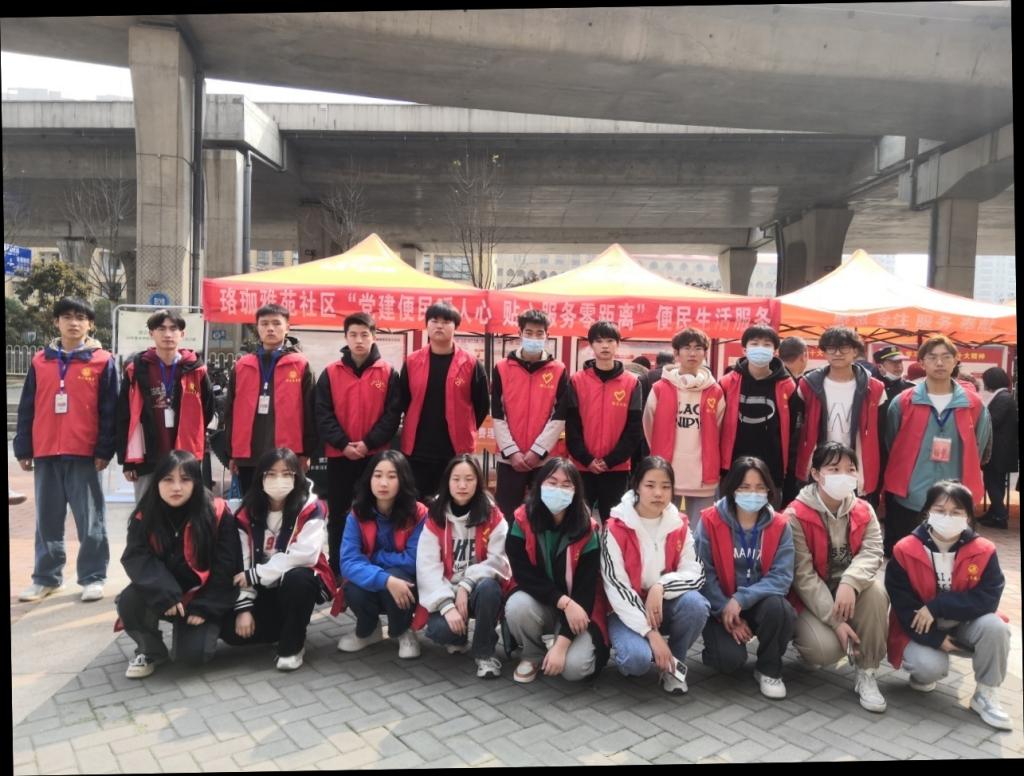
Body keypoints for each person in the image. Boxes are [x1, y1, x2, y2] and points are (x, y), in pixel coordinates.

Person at [14, 297, 118, 603]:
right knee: (47, 519)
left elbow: (110, 410)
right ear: (56, 322)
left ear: (90, 324)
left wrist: (104, 449)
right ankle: (46, 578)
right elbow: (27, 407)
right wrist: (24, 447)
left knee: (91, 519)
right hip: (46, 451)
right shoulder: (39, 361)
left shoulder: (102, 361)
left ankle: (93, 577)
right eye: (67, 317)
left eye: (81, 318)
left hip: (84, 452)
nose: (74, 323)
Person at [885, 481, 1012, 730]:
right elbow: (903, 606)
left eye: (956, 512)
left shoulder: (984, 550)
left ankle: (985, 693)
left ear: (968, 516)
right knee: (928, 668)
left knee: (996, 628)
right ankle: (922, 673)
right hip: (920, 626)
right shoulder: (905, 549)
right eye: (940, 510)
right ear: (927, 512)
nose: (947, 517)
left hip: (966, 623)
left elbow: (988, 598)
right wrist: (935, 639)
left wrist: (937, 606)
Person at [785, 441, 890, 713]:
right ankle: (811, 642)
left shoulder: (864, 510)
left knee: (876, 592)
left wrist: (850, 582)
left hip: (848, 592)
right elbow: (803, 576)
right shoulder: (795, 515)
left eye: (850, 469)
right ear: (816, 474)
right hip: (812, 598)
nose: (844, 475)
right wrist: (836, 622)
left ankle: (867, 672)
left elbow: (873, 552)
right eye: (834, 469)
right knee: (825, 650)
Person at [116, 450, 240, 677]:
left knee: (192, 657)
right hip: (165, 596)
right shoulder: (145, 515)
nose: (176, 487)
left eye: (185, 480)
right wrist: (164, 591)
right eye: (168, 480)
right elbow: (137, 557)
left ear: (196, 482)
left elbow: (227, 565)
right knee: (129, 600)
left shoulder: (217, 512)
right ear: (157, 482)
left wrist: (206, 607)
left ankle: (203, 630)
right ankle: (150, 651)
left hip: (202, 597)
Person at [602, 456, 710, 695]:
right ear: (636, 486)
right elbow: (616, 587)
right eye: (650, 485)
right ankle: (645, 649)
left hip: (662, 606)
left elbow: (696, 573)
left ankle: (673, 666)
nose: (658, 493)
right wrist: (651, 634)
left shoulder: (679, 524)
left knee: (696, 605)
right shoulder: (615, 528)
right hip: (624, 611)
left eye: (666, 486)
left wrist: (660, 587)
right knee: (636, 661)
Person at [222, 448, 336, 671]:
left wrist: (256, 574)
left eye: (286, 474)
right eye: (271, 474)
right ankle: (282, 629)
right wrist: (244, 608)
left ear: (297, 476)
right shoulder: (246, 513)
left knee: (299, 579)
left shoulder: (312, 508)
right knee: (230, 632)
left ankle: (292, 646)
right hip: (262, 587)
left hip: (293, 583)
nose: (278, 480)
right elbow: (243, 562)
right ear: (260, 477)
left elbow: (306, 555)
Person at [695, 457, 796, 699]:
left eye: (760, 487)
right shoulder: (710, 520)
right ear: (732, 489)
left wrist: (741, 599)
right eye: (745, 487)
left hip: (758, 602)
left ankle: (769, 669)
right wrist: (724, 608)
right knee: (728, 661)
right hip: (721, 605)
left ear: (769, 490)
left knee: (781, 610)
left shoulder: (780, 525)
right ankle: (719, 645)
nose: (754, 493)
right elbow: (703, 573)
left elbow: (782, 576)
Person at [883, 335, 991, 557]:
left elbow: (977, 449)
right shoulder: (903, 402)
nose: (939, 363)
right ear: (922, 363)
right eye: (932, 357)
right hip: (911, 496)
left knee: (953, 560)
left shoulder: (973, 404)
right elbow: (892, 443)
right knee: (908, 559)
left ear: (956, 360)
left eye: (946, 357)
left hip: (956, 501)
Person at [504, 457, 608, 683]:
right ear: (539, 484)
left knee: (575, 670)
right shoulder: (522, 520)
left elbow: (587, 589)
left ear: (576, 491)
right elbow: (523, 574)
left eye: (566, 485)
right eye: (552, 483)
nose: (558, 489)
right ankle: (532, 654)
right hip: (543, 602)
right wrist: (563, 602)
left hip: (579, 607)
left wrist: (562, 645)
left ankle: (558, 643)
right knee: (517, 606)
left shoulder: (587, 529)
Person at [315, 312, 402, 580]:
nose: (359, 340)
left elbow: (392, 415)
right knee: (339, 514)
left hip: (375, 458)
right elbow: (322, 413)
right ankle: (338, 569)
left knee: (378, 513)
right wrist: (343, 444)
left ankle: (374, 565)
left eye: (365, 334)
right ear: (346, 337)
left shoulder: (388, 373)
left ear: (374, 336)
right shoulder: (331, 373)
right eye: (353, 334)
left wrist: (367, 444)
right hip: (339, 456)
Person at [417, 454, 511, 678]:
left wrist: (467, 583)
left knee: (489, 588)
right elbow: (427, 567)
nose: (462, 485)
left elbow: (499, 560)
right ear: (447, 482)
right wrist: (446, 606)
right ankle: (458, 637)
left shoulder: (492, 514)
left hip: (478, 588)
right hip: (447, 589)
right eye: (456, 479)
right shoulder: (436, 516)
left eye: (469, 479)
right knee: (440, 631)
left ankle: (484, 653)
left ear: (478, 482)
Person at [337, 450, 428, 658]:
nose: (383, 483)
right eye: (377, 475)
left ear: (403, 480)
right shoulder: (357, 513)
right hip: (380, 580)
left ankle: (404, 630)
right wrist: (385, 579)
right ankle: (369, 630)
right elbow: (348, 562)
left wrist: (374, 558)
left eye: (392, 476)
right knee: (353, 587)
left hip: (408, 581)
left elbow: (415, 560)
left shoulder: (419, 514)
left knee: (398, 575)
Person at [117, 309, 214, 500]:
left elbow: (207, 409)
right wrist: (126, 461)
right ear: (151, 333)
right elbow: (123, 415)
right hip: (147, 454)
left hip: (185, 453)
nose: (168, 334)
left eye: (173, 328)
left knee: (185, 508)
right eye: (161, 329)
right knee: (146, 509)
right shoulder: (136, 369)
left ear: (182, 334)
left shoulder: (196, 369)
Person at [399, 302, 490, 500]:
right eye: (434, 320)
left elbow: (482, 405)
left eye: (446, 321)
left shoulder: (471, 364)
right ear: (427, 325)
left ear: (455, 326)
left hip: (455, 450)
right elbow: (404, 400)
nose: (439, 325)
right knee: (417, 505)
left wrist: (464, 426)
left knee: (454, 503)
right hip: (418, 450)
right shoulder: (412, 361)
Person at [225, 304, 317, 494]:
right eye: (264, 324)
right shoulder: (242, 365)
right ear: (257, 327)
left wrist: (306, 452)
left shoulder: (300, 364)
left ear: (287, 327)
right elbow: (230, 412)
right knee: (252, 504)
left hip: (287, 453)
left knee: (285, 504)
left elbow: (311, 412)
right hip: (248, 453)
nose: (270, 328)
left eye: (276, 323)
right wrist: (231, 453)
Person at [791, 327, 886, 506]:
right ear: (824, 352)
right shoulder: (807, 385)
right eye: (831, 348)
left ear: (855, 351)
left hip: (857, 468)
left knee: (854, 516)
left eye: (844, 348)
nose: (837, 353)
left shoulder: (875, 389)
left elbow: (881, 435)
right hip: (819, 465)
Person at [491, 309, 568, 523]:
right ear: (520, 333)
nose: (534, 338)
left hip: (544, 460)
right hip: (509, 459)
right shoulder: (502, 368)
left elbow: (559, 416)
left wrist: (537, 451)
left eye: (539, 333)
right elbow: (497, 413)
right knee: (507, 516)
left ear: (547, 335)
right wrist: (512, 452)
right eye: (529, 332)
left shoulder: (558, 370)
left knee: (543, 515)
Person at [643, 326, 725, 522]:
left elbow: (720, 430)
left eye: (698, 348)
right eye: (687, 348)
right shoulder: (660, 388)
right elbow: (648, 426)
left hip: (703, 476)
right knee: (664, 527)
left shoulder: (715, 391)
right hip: (666, 474)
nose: (692, 353)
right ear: (676, 353)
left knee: (700, 531)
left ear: (705, 353)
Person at [565, 320, 643, 521]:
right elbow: (572, 426)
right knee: (579, 522)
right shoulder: (577, 381)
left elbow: (634, 430)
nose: (605, 346)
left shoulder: (632, 383)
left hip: (617, 468)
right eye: (599, 341)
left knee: (615, 523)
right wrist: (587, 459)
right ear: (591, 345)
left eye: (610, 341)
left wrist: (609, 461)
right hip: (582, 467)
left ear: (618, 344)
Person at [718, 325, 797, 507]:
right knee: (729, 516)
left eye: (766, 344)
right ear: (744, 349)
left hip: (773, 468)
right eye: (754, 344)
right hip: (733, 467)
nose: (760, 348)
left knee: (770, 518)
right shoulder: (727, 383)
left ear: (775, 351)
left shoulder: (788, 386)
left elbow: (794, 430)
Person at [978, 367, 1018, 529]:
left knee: (992, 481)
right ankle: (994, 513)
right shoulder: (1003, 396)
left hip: (999, 451)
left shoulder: (1003, 398)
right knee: (997, 482)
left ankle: (1000, 515)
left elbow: (993, 421)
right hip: (1001, 450)